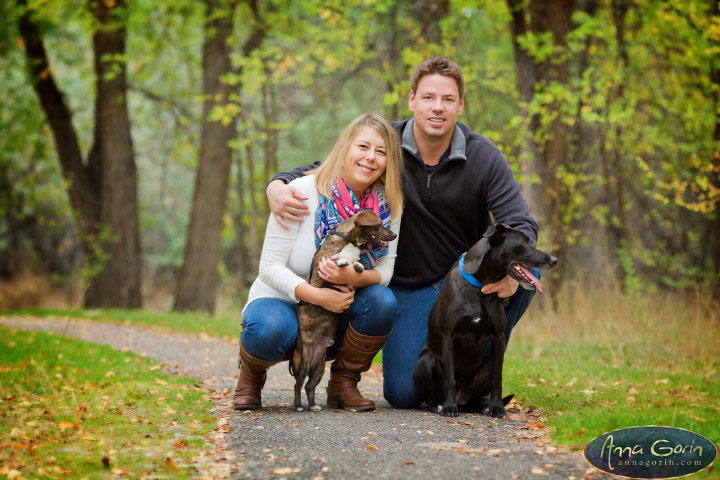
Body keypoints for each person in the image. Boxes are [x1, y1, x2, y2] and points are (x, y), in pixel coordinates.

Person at [266, 57, 539, 409]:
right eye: (428, 97)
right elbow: (329, 166)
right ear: (412, 100)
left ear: (460, 105)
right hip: (411, 287)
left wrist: (513, 279)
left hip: (468, 282)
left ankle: (475, 375)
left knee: (528, 272)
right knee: (406, 394)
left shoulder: (483, 156)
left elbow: (520, 222)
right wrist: (278, 183)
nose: (437, 107)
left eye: (447, 99)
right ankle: (450, 377)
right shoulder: (384, 144)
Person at [234, 113, 403, 412]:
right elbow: (269, 267)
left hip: (339, 309)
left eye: (381, 151)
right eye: (363, 146)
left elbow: (386, 271)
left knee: (383, 302)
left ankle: (343, 383)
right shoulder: (300, 191)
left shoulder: (388, 207)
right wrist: (318, 296)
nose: (370, 158)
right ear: (345, 147)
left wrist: (351, 278)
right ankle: (251, 375)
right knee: (267, 328)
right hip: (282, 301)